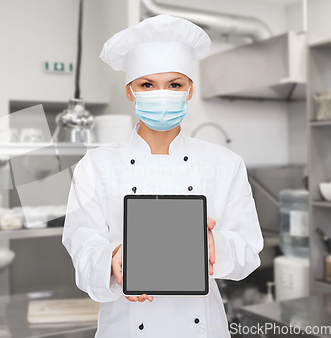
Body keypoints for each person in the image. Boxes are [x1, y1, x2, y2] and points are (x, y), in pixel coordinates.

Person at [61, 14, 264, 338]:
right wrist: (111, 262)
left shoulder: (225, 164)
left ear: (189, 90)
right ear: (130, 91)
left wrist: (213, 247)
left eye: (174, 84)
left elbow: (248, 252)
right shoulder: (96, 165)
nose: (162, 94)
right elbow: (81, 244)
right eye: (147, 85)